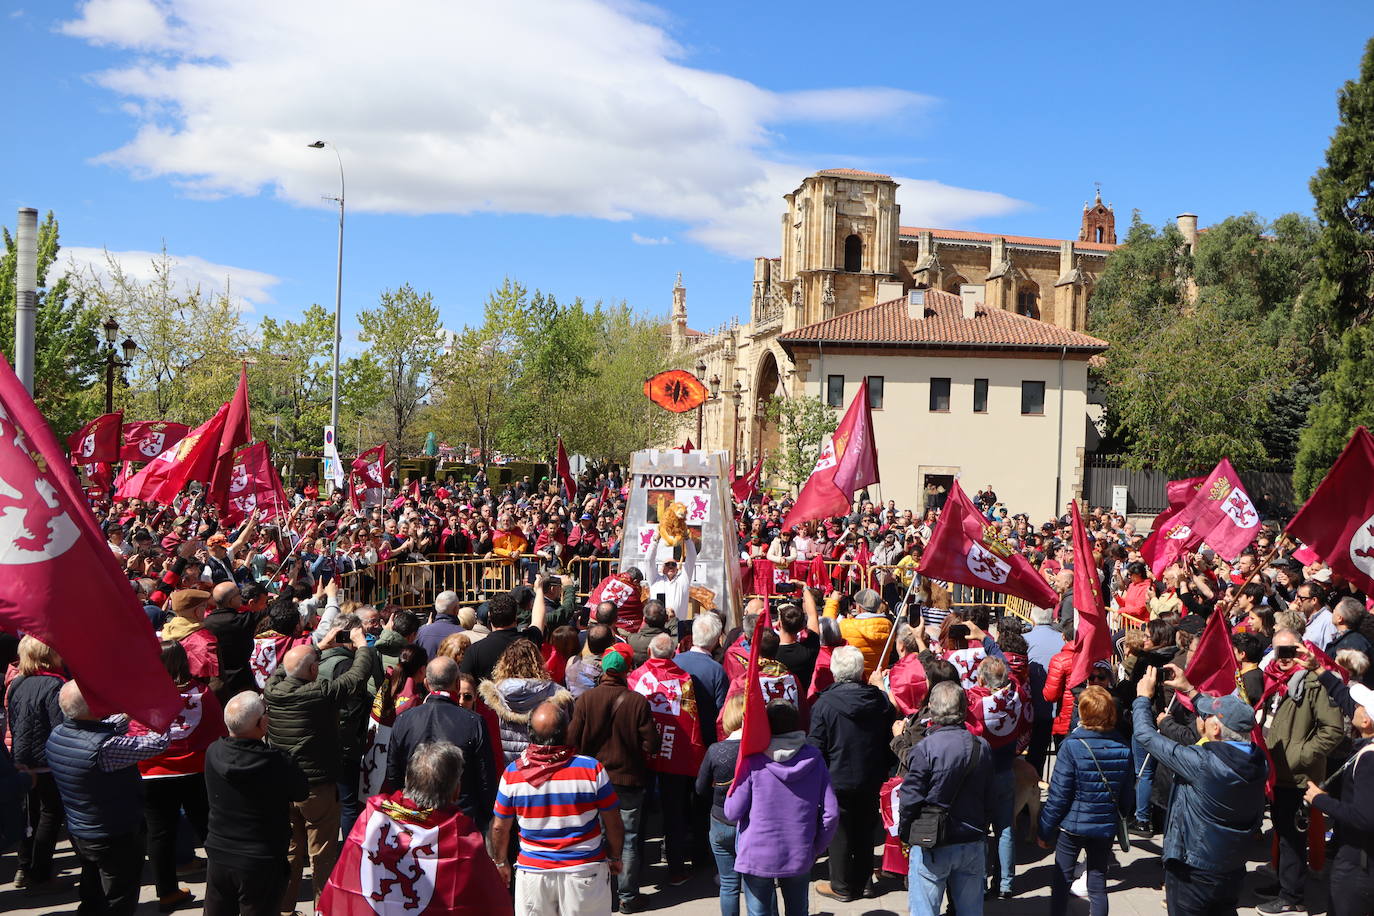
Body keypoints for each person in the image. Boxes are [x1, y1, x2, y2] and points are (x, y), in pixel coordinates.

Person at [1132, 666, 1268, 916]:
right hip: (1231, 866)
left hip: (1193, 870)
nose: (1200, 719)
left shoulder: (1202, 762)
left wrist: (1142, 698)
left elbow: (1145, 735)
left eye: (1206, 718)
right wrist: (1190, 691)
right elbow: (1221, 717)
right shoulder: (1259, 760)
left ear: (1214, 730)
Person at [319, 741, 512, 916]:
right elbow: (493, 905)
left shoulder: (371, 819)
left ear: (407, 780)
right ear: (456, 792)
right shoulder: (463, 839)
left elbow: (344, 888)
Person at [264, 624, 375, 912]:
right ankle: (324, 907)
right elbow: (356, 677)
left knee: (290, 851)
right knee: (322, 853)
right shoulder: (319, 693)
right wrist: (362, 645)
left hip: (281, 786)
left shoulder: (272, 689)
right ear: (314, 671)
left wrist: (318, 645)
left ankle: (285, 908)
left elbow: (283, 667)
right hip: (317, 786)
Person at [490, 701, 626, 916]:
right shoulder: (591, 769)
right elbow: (614, 823)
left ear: (530, 733)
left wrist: (500, 862)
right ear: (566, 731)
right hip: (584, 873)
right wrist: (615, 857)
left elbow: (499, 828)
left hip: (534, 876)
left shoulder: (512, 774)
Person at [46, 680, 170, 916]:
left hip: (82, 829)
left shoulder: (59, 734)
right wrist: (163, 712)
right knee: (119, 898)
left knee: (92, 889)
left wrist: (128, 714)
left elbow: (100, 729)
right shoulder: (104, 749)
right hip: (113, 833)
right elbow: (158, 743)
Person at [725, 700, 838, 916]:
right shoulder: (814, 758)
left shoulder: (753, 761)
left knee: (759, 912)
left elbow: (732, 811)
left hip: (757, 853)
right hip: (799, 850)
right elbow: (831, 814)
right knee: (798, 911)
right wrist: (816, 847)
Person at [1260, 628, 1344, 914]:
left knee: (1292, 837)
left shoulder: (1311, 683)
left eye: (1290, 651)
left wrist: (1301, 755)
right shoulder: (1273, 678)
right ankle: (1285, 884)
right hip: (1275, 772)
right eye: (1278, 651)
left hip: (1297, 776)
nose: (1284, 658)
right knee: (1281, 832)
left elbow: (1333, 729)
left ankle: (1291, 896)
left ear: (1301, 649)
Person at [567, 649, 659, 912]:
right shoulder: (637, 702)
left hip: (593, 781)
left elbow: (572, 740)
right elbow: (651, 744)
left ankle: (603, 895)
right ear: (625, 671)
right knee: (628, 839)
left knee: (596, 837)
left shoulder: (585, 700)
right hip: (628, 780)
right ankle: (627, 897)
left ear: (604, 671)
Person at [137, 640, 226, 912]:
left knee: (160, 834)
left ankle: (166, 892)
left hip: (153, 772)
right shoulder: (202, 692)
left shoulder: (142, 694)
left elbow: (133, 732)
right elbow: (217, 730)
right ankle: (222, 889)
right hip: (195, 771)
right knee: (207, 829)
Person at [204, 691, 309, 916]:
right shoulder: (276, 762)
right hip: (260, 859)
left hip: (219, 852)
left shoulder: (213, 752)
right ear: (261, 722)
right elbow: (301, 792)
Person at [898, 681, 994, 916]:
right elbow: (990, 795)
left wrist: (905, 832)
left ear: (931, 709)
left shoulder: (925, 749)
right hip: (971, 837)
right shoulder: (981, 746)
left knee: (925, 909)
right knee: (971, 910)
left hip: (933, 839)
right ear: (963, 710)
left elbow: (910, 798)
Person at [1036, 685, 1133, 916]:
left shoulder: (1072, 746)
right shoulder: (1123, 747)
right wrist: (1119, 816)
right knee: (1098, 883)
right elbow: (1127, 793)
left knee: (1062, 880)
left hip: (1072, 826)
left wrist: (1044, 830)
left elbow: (1058, 796)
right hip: (1104, 826)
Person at [808, 645, 894, 903]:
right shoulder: (877, 700)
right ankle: (864, 882)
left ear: (835, 672)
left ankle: (842, 885)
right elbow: (890, 717)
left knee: (840, 832)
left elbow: (816, 746)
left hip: (837, 778)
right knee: (865, 829)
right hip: (870, 775)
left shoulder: (824, 704)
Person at [628, 634, 709, 885]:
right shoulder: (684, 680)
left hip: (642, 752)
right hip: (673, 751)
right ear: (673, 653)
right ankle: (676, 869)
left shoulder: (636, 677)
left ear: (650, 651)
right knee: (674, 813)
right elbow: (692, 721)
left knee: (639, 815)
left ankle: (636, 870)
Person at [385, 656, 496, 826]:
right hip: (458, 820)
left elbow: (394, 773)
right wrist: (485, 817)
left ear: (427, 684)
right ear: (458, 684)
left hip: (413, 816)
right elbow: (485, 777)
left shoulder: (403, 720)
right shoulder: (473, 722)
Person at [1305, 653, 1374, 916]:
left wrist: (1320, 800)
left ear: (1366, 721)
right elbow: (1346, 700)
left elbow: (1364, 818)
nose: (1351, 708)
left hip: (1359, 863)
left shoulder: (1369, 761)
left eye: (1358, 707)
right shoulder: (1368, 737)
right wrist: (1319, 670)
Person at [5, 635, 66, 892]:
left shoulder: (16, 684)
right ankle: (40, 874)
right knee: (50, 815)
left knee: (30, 816)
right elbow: (60, 727)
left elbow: (12, 721)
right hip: (48, 760)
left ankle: (24, 866)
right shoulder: (56, 684)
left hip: (23, 760)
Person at [480, 639, 571, 765]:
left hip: (506, 764)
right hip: (545, 763)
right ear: (538, 662)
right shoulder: (556, 693)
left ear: (505, 663)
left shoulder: (495, 695)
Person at [696, 694, 746, 916]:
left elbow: (700, 787)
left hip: (720, 818)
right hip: (750, 821)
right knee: (754, 883)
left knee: (728, 884)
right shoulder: (758, 751)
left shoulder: (715, 750)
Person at [460, 588, 547, 682]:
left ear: (489, 616)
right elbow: (539, 618)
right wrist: (539, 589)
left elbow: (464, 684)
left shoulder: (474, 651)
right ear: (515, 616)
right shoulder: (528, 641)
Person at [1024, 606, 1065, 772]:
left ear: (1032, 618)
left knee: (1035, 755)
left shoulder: (1024, 639)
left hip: (1036, 707)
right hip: (1059, 709)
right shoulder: (1062, 639)